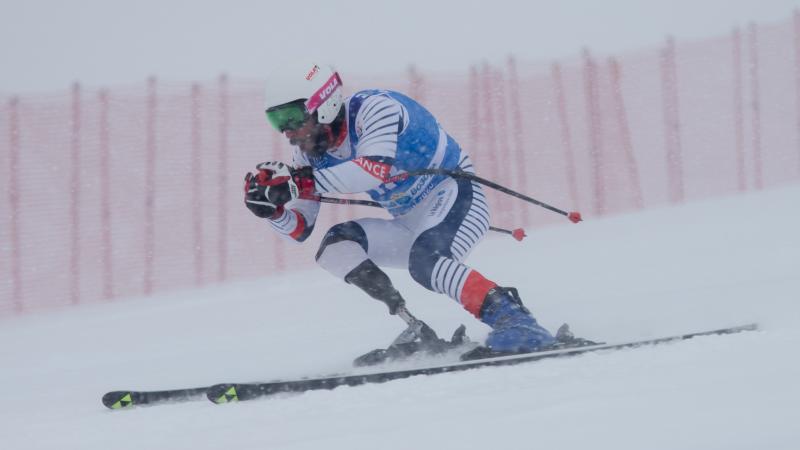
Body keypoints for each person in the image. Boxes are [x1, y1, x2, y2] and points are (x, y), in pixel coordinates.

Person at [243, 62, 554, 354]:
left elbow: (371, 169)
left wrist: (299, 184)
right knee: (336, 248)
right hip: (408, 221)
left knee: (426, 262)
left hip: (455, 196)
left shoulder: (375, 108)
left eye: (292, 117)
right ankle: (415, 327)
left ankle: (518, 322)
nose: (288, 132)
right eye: (277, 121)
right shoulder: (308, 158)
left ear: (323, 104)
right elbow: (298, 230)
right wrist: (272, 210)